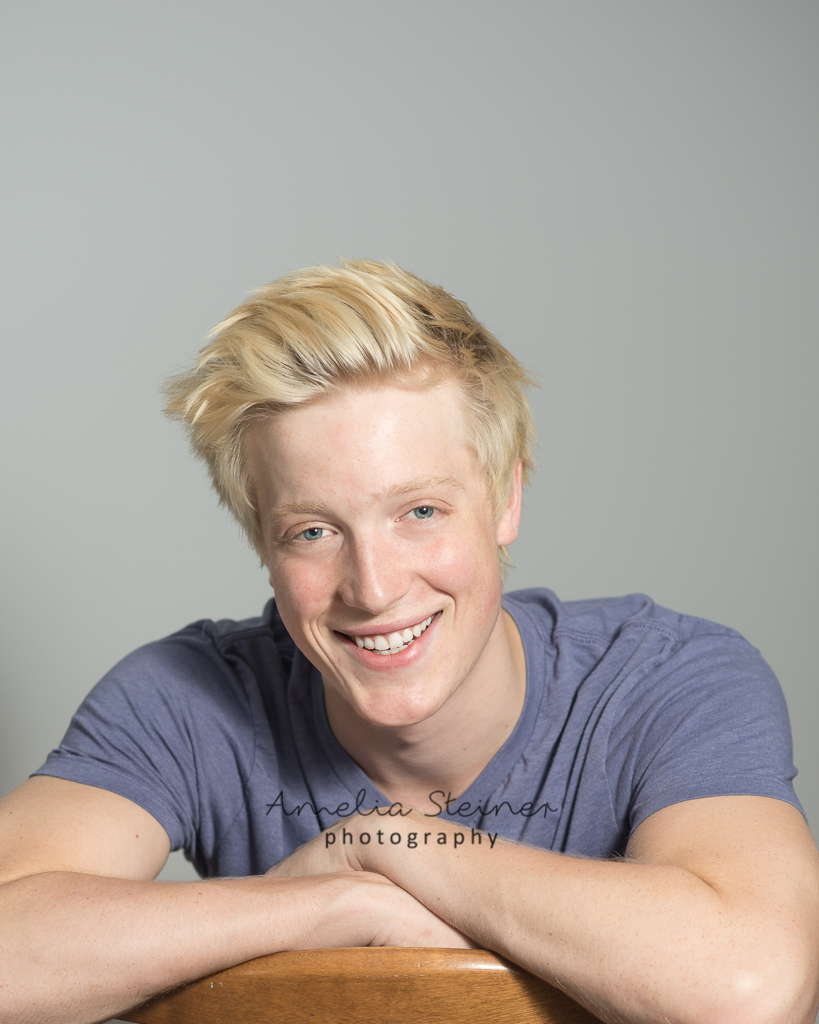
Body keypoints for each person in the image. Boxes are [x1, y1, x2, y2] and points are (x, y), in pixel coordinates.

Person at [1, 260, 817, 1024]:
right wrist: (328, 901)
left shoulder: (668, 679)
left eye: (419, 513)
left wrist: (383, 843)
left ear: (505, 498)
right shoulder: (188, 696)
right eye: (312, 531)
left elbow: (751, 987)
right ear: (262, 543)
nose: (373, 587)